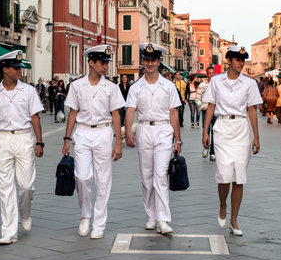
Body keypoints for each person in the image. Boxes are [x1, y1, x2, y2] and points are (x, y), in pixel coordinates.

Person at [62, 45, 124, 239]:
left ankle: (99, 223)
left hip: (104, 133)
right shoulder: (77, 86)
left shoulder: (111, 87)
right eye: (102, 63)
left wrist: (118, 142)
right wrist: (66, 138)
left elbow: (116, 114)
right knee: (81, 177)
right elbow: (73, 112)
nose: (105, 66)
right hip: (82, 133)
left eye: (107, 63)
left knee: (103, 180)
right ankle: (85, 215)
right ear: (91, 62)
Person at [0, 50, 44, 245]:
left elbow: (35, 117)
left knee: (25, 186)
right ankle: (9, 231)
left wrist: (39, 142)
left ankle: (25, 213)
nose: (19, 70)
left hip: (24, 138)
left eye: (20, 67)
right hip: (3, 140)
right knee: (5, 187)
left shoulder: (28, 91)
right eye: (16, 68)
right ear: (5, 69)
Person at [202, 46, 262, 236]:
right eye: (237, 59)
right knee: (224, 172)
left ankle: (234, 220)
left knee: (239, 176)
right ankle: (222, 206)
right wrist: (205, 132)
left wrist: (256, 137)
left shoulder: (249, 83)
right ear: (229, 60)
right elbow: (210, 105)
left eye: (243, 60)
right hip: (221, 128)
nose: (241, 63)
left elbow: (252, 109)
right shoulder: (216, 81)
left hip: (241, 129)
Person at [125, 43, 182, 235]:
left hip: (164, 130)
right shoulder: (136, 87)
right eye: (146, 60)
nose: (149, 63)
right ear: (143, 61)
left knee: (160, 176)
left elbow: (173, 112)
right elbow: (130, 110)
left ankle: (163, 218)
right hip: (144, 130)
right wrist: (128, 131)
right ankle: (151, 215)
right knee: (147, 176)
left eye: (153, 60)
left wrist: (178, 139)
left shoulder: (168, 86)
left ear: (159, 62)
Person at [195, 66, 217, 161]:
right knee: (206, 130)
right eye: (210, 73)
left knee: (215, 131)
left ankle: (213, 152)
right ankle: (206, 148)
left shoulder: (218, 85)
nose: (211, 75)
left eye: (213, 73)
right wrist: (201, 106)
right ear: (207, 74)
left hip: (216, 111)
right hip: (206, 110)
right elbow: (197, 98)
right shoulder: (202, 85)